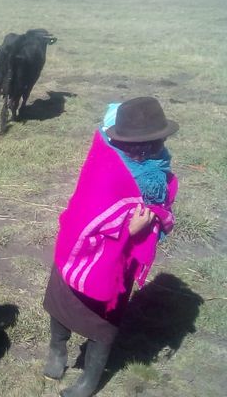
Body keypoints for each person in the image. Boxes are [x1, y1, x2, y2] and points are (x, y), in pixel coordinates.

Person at [42, 97, 179, 397]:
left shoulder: (158, 169)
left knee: (105, 318)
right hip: (78, 249)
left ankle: (89, 381)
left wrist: (145, 224)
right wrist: (126, 227)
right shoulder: (105, 162)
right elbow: (86, 209)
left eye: (152, 143)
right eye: (137, 144)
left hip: (119, 261)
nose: (145, 151)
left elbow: (162, 201)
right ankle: (57, 350)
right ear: (121, 138)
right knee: (61, 295)